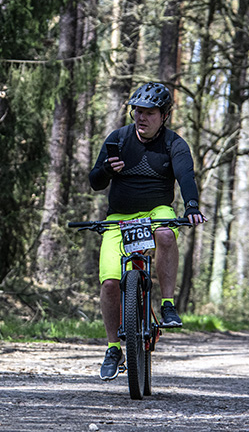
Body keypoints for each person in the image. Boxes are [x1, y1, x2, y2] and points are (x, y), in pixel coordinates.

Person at [88, 82, 206, 381]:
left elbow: (186, 176)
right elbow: (95, 182)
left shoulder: (174, 144)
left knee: (166, 234)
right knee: (109, 284)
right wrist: (107, 171)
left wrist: (191, 206)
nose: (141, 118)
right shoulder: (118, 138)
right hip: (119, 218)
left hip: (156, 212)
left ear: (163, 115)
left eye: (149, 113)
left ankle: (167, 305)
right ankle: (114, 347)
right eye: (137, 111)